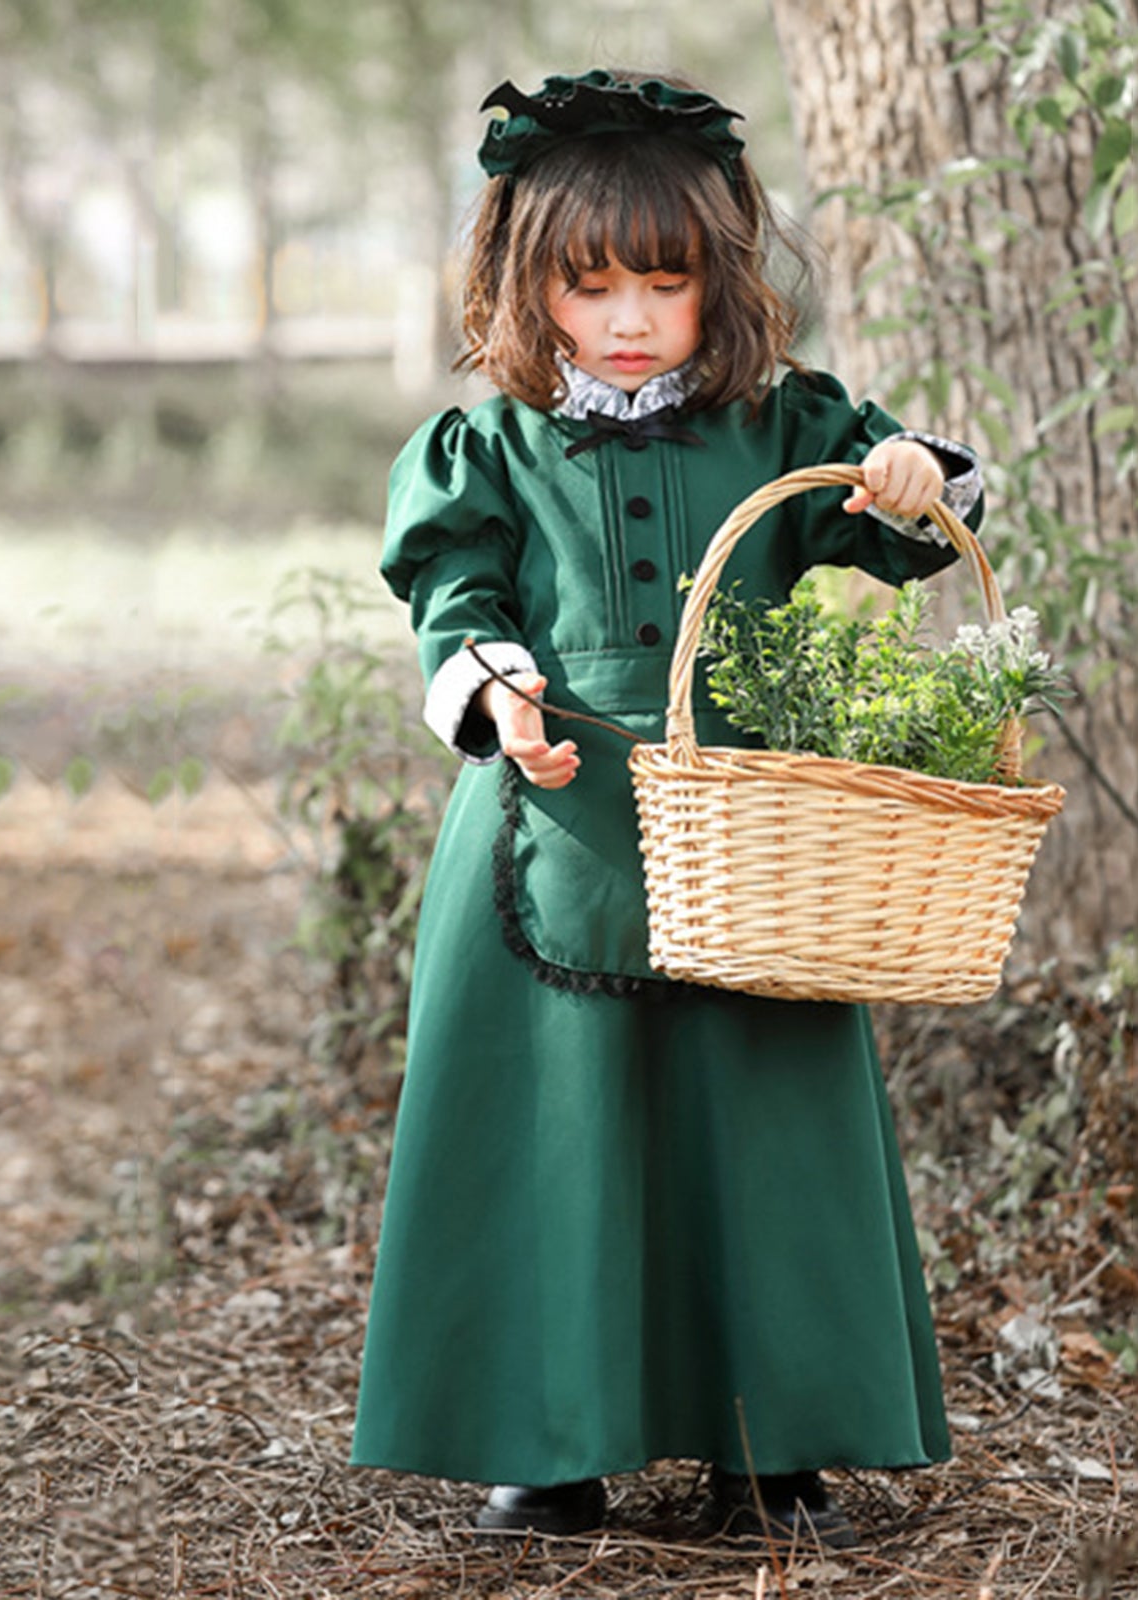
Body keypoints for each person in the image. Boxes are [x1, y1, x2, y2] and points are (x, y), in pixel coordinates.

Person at [350, 68, 984, 1547]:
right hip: (551, 821)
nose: (629, 315)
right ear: (530, 285)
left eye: (664, 277)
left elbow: (907, 522)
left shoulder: (778, 429)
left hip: (753, 827)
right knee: (552, 1129)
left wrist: (904, 475)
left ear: (718, 281)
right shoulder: (488, 449)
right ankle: (543, 1443)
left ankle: (772, 1445)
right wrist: (499, 695)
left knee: (752, 1122)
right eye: (590, 284)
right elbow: (454, 597)